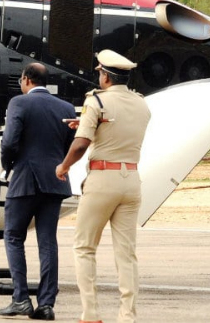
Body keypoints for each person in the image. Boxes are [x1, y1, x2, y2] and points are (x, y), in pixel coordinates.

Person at [55, 50, 151, 323]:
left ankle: (91, 313)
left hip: (102, 178)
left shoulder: (96, 101)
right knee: (126, 252)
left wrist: (64, 166)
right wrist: (88, 124)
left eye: (100, 73)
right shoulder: (141, 103)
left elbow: (81, 144)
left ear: (106, 76)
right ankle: (127, 315)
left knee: (84, 247)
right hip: (131, 179)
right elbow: (119, 130)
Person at [0, 63, 76, 320]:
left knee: (13, 237)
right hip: (55, 180)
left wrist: (7, 166)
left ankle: (21, 298)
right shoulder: (65, 107)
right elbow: (69, 145)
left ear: (27, 79)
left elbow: (9, 142)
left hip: (25, 179)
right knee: (48, 241)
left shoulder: (19, 103)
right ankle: (46, 304)